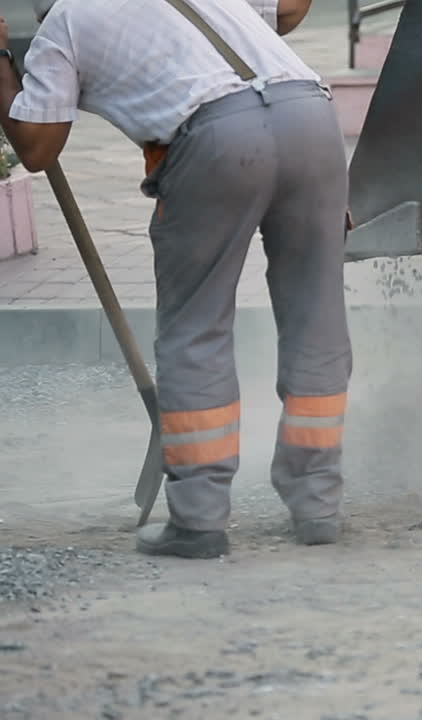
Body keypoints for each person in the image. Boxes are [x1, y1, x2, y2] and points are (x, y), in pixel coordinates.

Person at [0, 0, 354, 558]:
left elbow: (37, 148)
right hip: (311, 118)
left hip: (218, 140)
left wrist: (0, 58)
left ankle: (199, 519)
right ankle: (318, 504)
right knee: (318, 316)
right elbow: (287, 9)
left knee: (196, 329)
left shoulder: (67, 19)